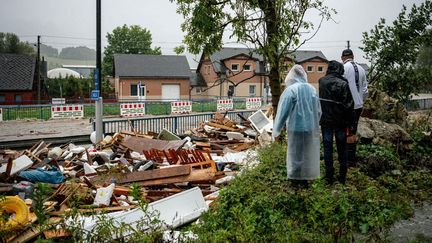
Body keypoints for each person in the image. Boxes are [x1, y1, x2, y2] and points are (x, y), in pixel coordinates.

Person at [273, 65, 321, 188]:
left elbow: (283, 111)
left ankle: (295, 181)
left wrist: (277, 129)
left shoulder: (291, 90)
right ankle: (305, 181)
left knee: (295, 155)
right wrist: (314, 123)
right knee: (307, 154)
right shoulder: (312, 89)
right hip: (310, 128)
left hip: (296, 128)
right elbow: (319, 111)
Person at [319, 61, 355, 185]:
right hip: (341, 121)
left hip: (326, 121)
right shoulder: (344, 84)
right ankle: (342, 177)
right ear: (339, 70)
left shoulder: (321, 81)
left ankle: (329, 177)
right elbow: (349, 105)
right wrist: (351, 125)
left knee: (327, 148)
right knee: (342, 149)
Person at [341, 49, 368, 166]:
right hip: (358, 106)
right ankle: (352, 157)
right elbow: (365, 90)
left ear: (342, 57)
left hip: (348, 106)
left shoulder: (344, 68)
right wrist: (361, 100)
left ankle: (347, 159)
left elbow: (341, 87)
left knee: (346, 132)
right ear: (353, 56)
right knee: (353, 131)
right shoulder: (361, 69)